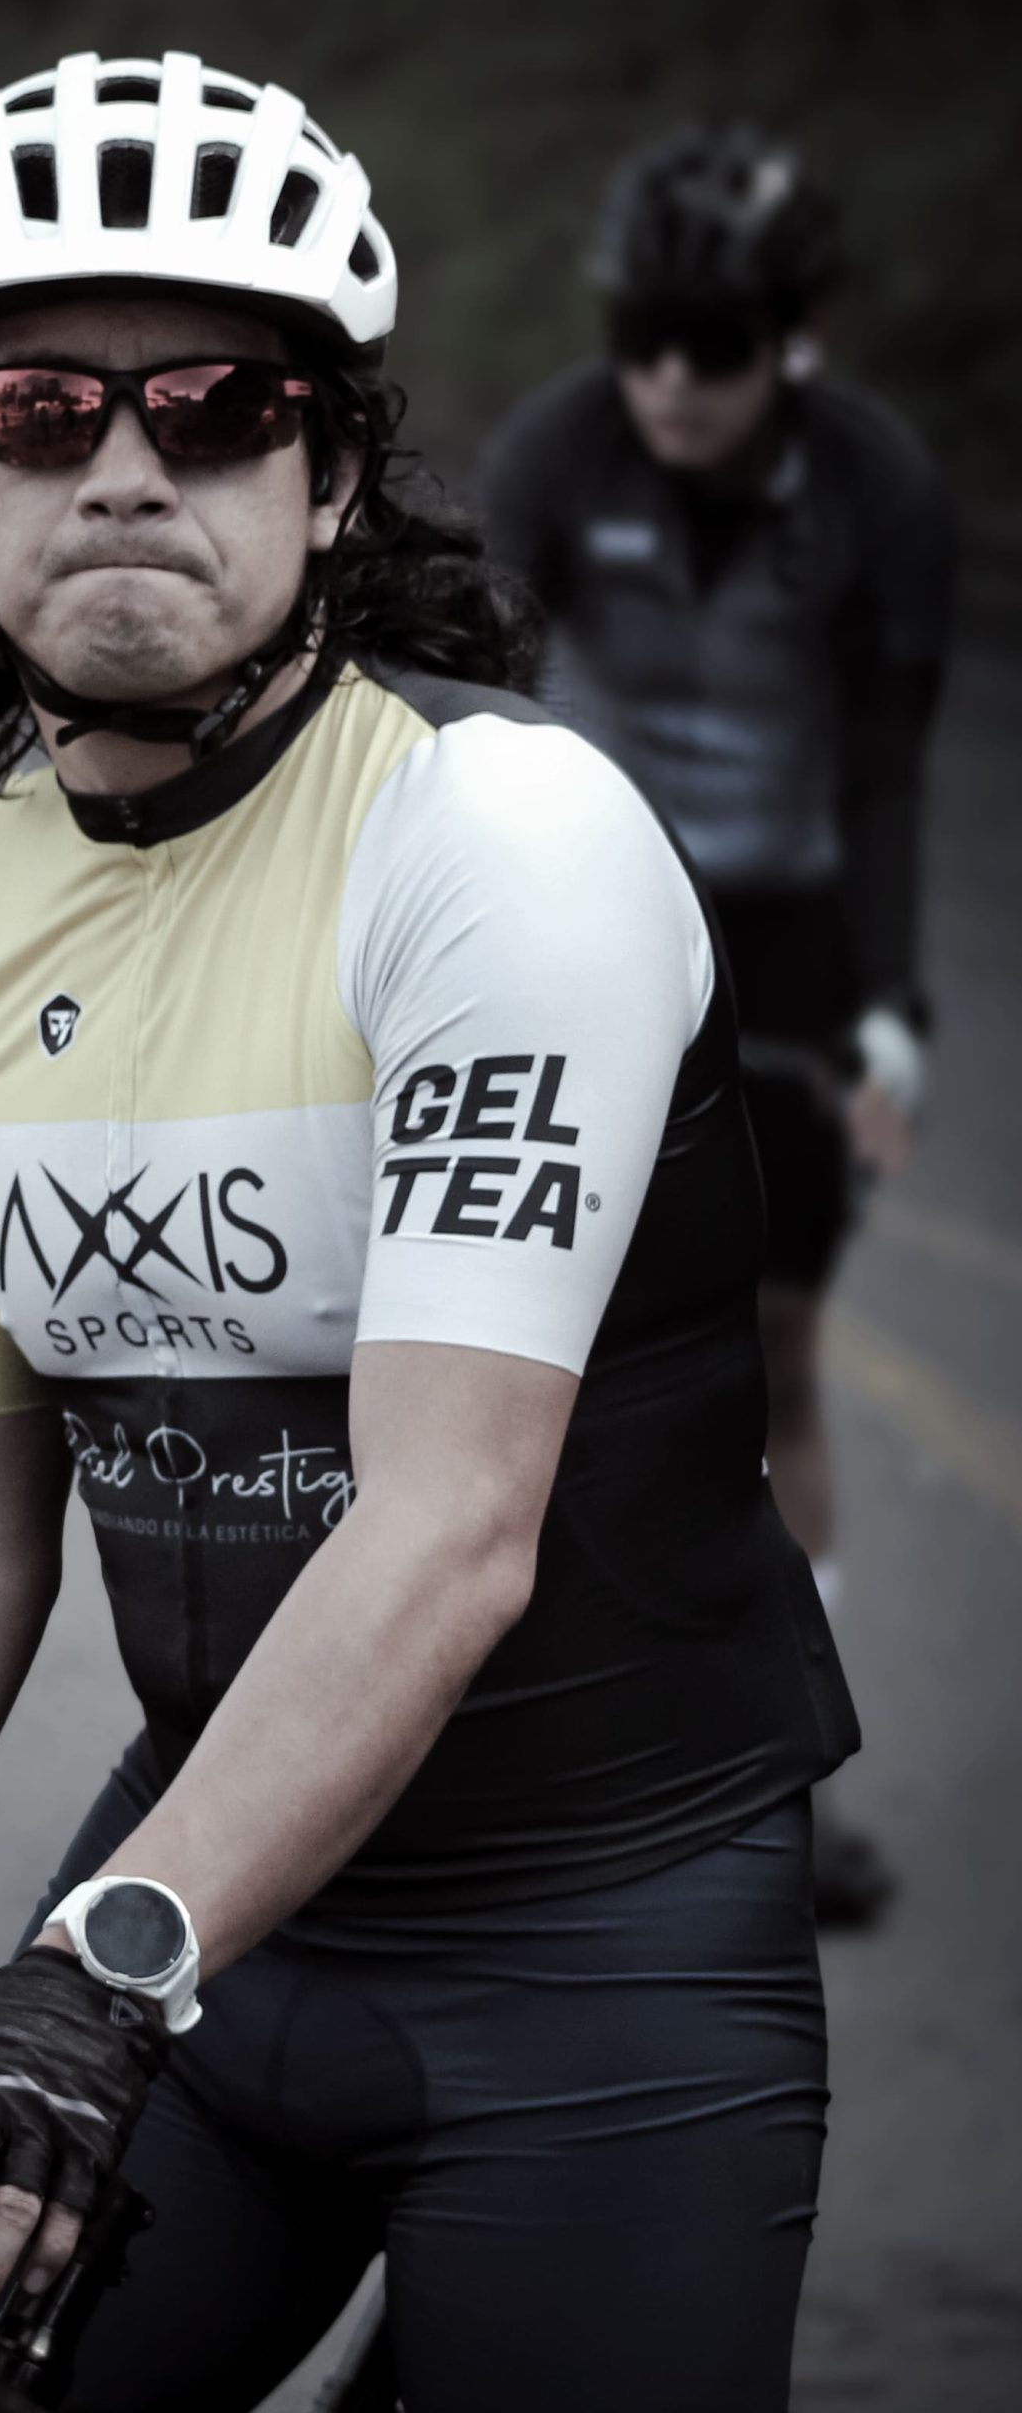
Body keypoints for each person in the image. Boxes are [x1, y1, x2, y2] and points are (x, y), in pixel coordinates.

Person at [0, 54, 857, 2413]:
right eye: (35, 406)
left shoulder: (494, 837)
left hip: (591, 1953)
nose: (123, 464)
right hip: (220, 1918)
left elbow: (445, 1527)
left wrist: (95, 1973)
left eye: (214, 405)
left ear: (329, 477)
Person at [477, 123, 956, 1926]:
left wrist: (889, 1003)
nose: (669, 380)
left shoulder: (876, 492)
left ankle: (784, 1780)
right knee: (534, 1334)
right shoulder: (554, 451)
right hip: (589, 896)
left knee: (771, 1352)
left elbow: (889, 771)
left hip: (791, 932)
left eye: (714, 343)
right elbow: (462, 703)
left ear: (793, 336)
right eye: (641, 336)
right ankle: (537, 1740)